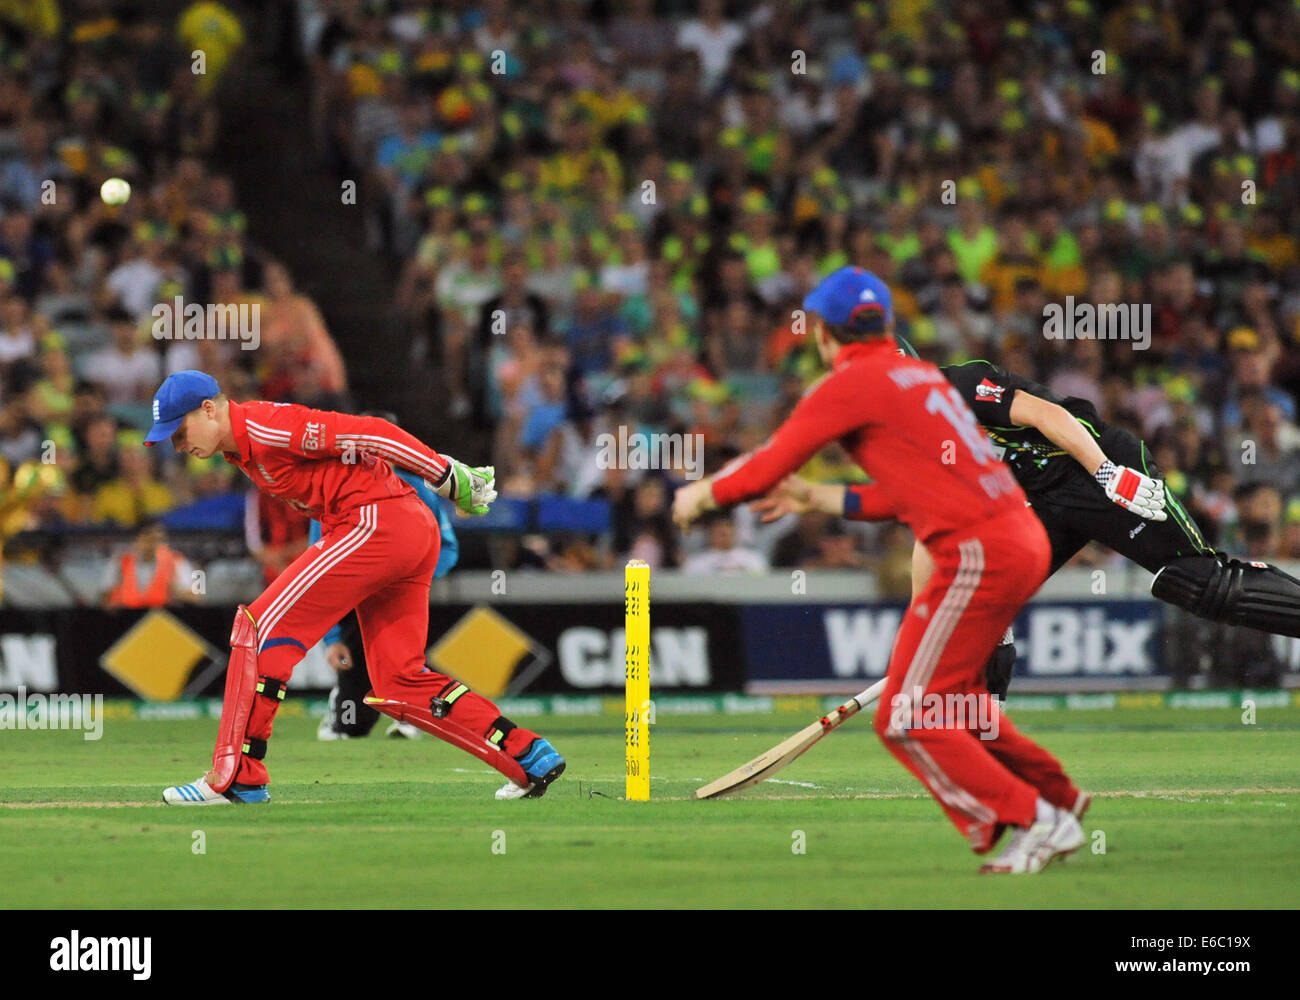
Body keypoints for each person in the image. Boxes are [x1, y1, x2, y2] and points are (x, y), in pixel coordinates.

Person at [673, 267, 1088, 874]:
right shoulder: (922, 379)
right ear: (885, 324)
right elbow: (906, 497)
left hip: (978, 550)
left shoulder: (851, 385)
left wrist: (703, 495)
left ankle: (1037, 819)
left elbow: (766, 467)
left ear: (823, 334)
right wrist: (822, 500)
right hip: (1016, 537)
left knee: (907, 713)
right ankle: (1060, 798)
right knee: (957, 701)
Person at [758, 347, 1300, 697]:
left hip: (1094, 467)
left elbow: (1047, 415)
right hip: (1036, 503)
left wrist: (1109, 472)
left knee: (1199, 583)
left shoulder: (960, 385)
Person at [147, 370, 564, 805]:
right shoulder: (243, 449)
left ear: (209, 409)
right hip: (404, 528)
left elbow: (373, 432)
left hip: (375, 522)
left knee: (257, 631)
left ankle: (236, 776)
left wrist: (445, 475)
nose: (178, 447)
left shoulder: (265, 426)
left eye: (179, 431)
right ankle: (527, 756)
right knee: (398, 681)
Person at [314, 411, 459, 741]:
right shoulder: (331, 495)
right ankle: (344, 707)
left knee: (408, 661)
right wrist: (332, 638)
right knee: (351, 723)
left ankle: (412, 715)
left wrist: (410, 576)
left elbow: (447, 548)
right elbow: (319, 566)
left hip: (405, 596)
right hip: (355, 601)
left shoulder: (421, 493)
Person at [103, 519, 201, 608]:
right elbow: (105, 599)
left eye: (158, 540)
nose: (153, 544)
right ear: (137, 539)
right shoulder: (119, 562)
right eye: (149, 539)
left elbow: (197, 598)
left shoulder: (178, 561)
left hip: (164, 619)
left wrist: (177, 592)